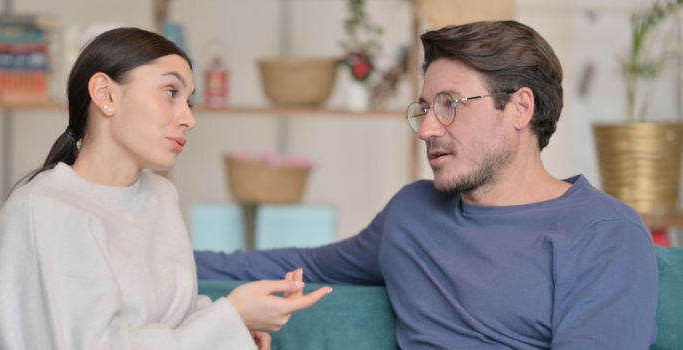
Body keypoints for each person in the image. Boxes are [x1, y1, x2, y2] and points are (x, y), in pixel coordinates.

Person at [195, 20, 659, 349]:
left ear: (520, 108)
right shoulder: (411, 214)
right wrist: (160, 256)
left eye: (450, 105)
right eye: (424, 109)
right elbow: (293, 265)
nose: (427, 129)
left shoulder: (604, 234)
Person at [0, 27, 332, 350]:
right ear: (105, 94)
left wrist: (237, 330)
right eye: (170, 92)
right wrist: (228, 319)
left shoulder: (160, 197)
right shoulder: (46, 211)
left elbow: (176, 319)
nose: (189, 119)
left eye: (188, 101)